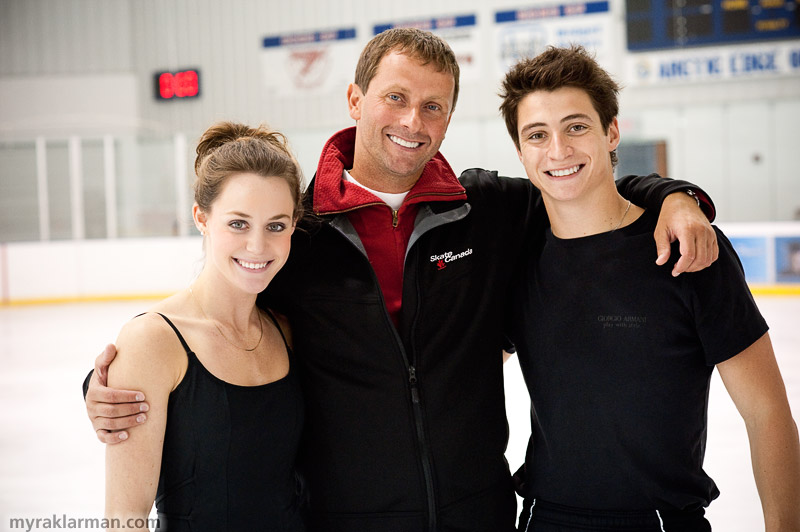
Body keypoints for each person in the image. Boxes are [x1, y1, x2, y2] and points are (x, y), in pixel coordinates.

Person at [86, 29, 719, 532]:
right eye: (395, 97)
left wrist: (674, 195)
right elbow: (219, 322)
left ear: (448, 118)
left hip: (481, 514)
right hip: (345, 520)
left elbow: (585, 189)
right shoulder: (294, 232)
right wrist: (112, 382)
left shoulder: (491, 209)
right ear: (356, 100)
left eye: (433, 106)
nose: (413, 120)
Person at [499, 45, 800, 531]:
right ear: (520, 150)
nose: (558, 150)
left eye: (576, 126)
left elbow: (767, 414)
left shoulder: (688, 248)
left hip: (659, 520)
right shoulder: (515, 256)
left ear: (611, 131)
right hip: (542, 518)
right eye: (537, 134)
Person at [104, 122, 306, 531]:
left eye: (276, 225)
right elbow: (124, 519)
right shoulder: (154, 341)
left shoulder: (285, 330)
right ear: (201, 217)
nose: (257, 246)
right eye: (238, 223)